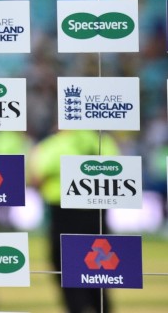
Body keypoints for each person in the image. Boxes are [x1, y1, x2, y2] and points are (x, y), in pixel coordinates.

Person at [30, 128, 118, 313]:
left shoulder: (54, 144)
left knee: (66, 269)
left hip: (64, 213)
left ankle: (78, 308)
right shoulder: (101, 141)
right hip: (97, 213)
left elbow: (36, 177)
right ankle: (102, 308)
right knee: (99, 271)